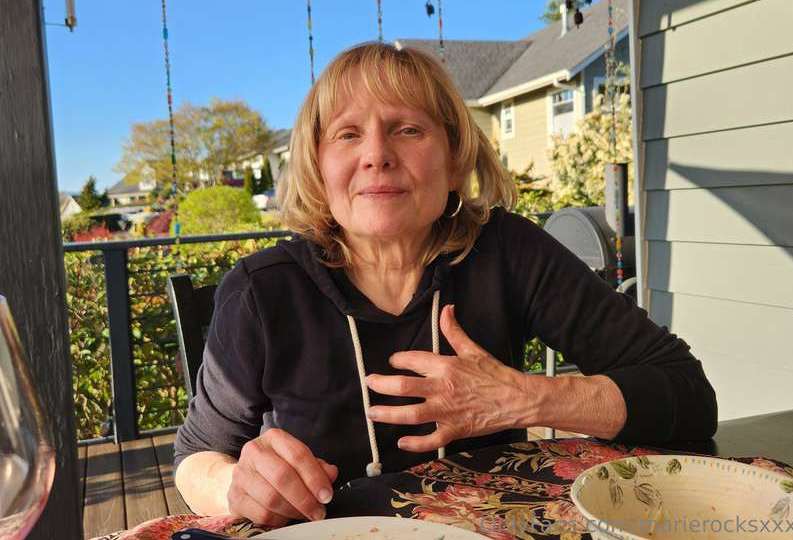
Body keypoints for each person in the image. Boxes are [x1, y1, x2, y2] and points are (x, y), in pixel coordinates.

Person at [173, 42, 717, 527]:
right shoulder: (261, 291)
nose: (377, 155)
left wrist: (527, 398)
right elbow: (197, 456)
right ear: (318, 166)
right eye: (348, 134)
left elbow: (687, 394)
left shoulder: (507, 251)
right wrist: (235, 485)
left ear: (455, 161)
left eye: (408, 129)